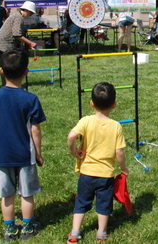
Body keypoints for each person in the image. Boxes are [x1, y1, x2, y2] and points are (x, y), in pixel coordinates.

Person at [0, 49, 46, 241]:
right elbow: (35, 130)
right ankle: (27, 228)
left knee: (6, 195)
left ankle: (9, 230)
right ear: (26, 72)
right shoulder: (30, 99)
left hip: (3, 155)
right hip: (25, 155)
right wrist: (38, 153)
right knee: (27, 193)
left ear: (1, 71)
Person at [66, 82, 128, 244]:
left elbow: (71, 136)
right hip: (105, 175)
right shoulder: (116, 126)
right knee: (104, 205)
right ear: (114, 105)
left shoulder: (86, 121)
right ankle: (101, 233)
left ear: (91, 103)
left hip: (86, 173)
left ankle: (74, 233)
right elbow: (119, 152)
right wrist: (123, 168)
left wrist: (74, 151)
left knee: (81, 202)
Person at [0, 1, 38, 86]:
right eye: (31, 13)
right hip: (1, 44)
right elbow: (17, 34)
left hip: (2, 43)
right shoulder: (18, 17)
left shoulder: (17, 16)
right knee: (6, 67)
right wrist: (30, 43)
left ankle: (8, 85)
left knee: (8, 66)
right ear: (26, 10)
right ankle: (7, 86)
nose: (31, 15)